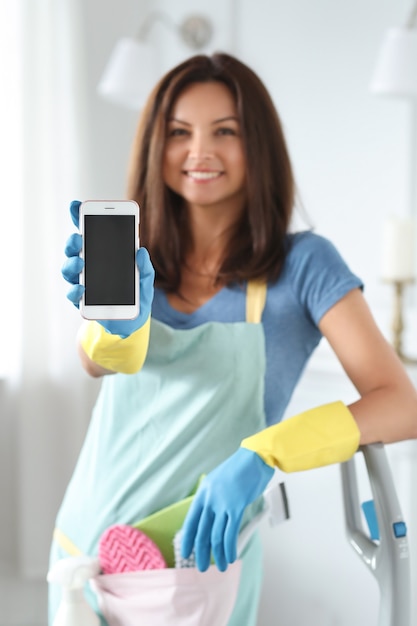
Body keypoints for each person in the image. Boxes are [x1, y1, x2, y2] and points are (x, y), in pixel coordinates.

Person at [53, 52, 417, 625]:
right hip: (85, 554)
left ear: (258, 145)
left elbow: (401, 402)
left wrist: (264, 453)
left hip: (197, 568)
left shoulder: (304, 267)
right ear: (156, 145)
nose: (200, 152)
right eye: (179, 132)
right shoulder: (134, 259)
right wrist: (117, 329)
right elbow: (96, 364)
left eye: (225, 131)